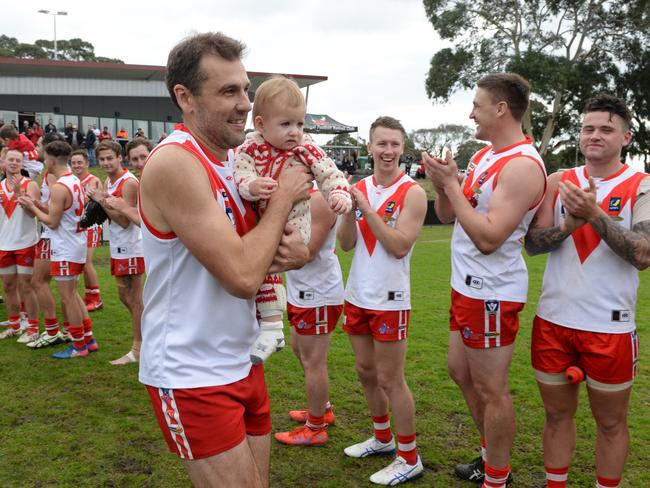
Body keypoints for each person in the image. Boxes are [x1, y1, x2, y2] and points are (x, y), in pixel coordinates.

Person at [138, 32, 311, 488]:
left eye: (246, 89)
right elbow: (240, 274)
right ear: (185, 98)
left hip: (242, 359)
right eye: (228, 91)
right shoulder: (176, 163)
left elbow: (257, 250)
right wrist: (284, 198)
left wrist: (295, 252)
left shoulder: (234, 162)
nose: (246, 103)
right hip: (192, 371)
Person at [424, 73, 546, 488]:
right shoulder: (484, 156)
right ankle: (491, 456)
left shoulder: (523, 166)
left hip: (492, 290)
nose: (470, 112)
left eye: (476, 105)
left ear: (501, 109)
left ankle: (497, 475)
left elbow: (491, 238)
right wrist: (445, 184)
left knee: (492, 388)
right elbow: (447, 215)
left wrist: (451, 186)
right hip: (466, 285)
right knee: (459, 370)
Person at [524, 94, 649, 488]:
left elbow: (643, 254)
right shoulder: (560, 180)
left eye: (606, 129)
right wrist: (569, 225)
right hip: (553, 321)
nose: (594, 136)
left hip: (609, 328)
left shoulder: (641, 185)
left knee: (610, 423)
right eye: (587, 128)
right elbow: (533, 243)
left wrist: (594, 214)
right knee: (556, 416)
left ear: (626, 137)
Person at [234, 76, 351, 364]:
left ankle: (271, 326)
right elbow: (240, 173)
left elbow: (329, 172)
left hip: (295, 222)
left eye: (300, 124)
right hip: (261, 219)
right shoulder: (249, 148)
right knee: (260, 269)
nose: (295, 132)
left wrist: (339, 194)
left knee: (267, 264)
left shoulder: (307, 148)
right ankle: (272, 327)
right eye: (286, 124)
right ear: (260, 125)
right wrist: (250, 185)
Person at [338, 116, 427, 485]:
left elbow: (398, 245)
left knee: (392, 379)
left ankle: (409, 457)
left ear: (402, 148)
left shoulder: (413, 192)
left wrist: (367, 209)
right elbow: (345, 244)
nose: (388, 151)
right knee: (365, 371)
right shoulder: (358, 187)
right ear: (370, 147)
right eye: (381, 144)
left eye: (394, 144)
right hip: (357, 294)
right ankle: (382, 437)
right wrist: (346, 209)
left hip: (390, 300)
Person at [274, 188, 343, 446]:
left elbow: (308, 252)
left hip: (318, 292)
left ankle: (316, 427)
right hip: (301, 290)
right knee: (299, 350)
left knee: (314, 361)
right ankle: (321, 408)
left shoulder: (319, 199)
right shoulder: (295, 196)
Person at [19, 140, 96, 359]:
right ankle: (88, 339)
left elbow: (52, 223)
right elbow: (63, 213)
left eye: (44, 158)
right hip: (75, 243)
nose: (43, 161)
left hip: (64, 247)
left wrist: (33, 207)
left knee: (67, 298)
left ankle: (79, 346)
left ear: (52, 160)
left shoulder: (60, 186)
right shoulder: (73, 180)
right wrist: (40, 205)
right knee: (72, 295)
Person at [90, 140, 144, 365]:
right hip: (118, 246)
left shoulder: (129, 183)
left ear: (119, 157)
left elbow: (124, 221)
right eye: (102, 159)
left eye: (109, 158)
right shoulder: (107, 181)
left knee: (135, 299)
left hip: (132, 246)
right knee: (125, 296)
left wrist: (101, 200)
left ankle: (139, 348)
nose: (105, 163)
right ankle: (150, 333)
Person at [26, 131, 67, 349]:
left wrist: (32, 205)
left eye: (40, 145)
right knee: (62, 287)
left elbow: (55, 211)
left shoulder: (52, 175)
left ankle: (53, 330)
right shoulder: (54, 173)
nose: (37, 148)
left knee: (39, 281)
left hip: (52, 236)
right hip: (57, 235)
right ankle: (71, 329)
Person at [0, 149, 41, 342]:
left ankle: (33, 328)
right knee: (8, 286)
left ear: (22, 164)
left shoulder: (30, 184)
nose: (14, 163)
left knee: (27, 286)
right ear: (4, 162)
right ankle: (15, 325)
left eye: (18, 160)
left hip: (26, 242)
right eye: (11, 160)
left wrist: (18, 194)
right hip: (4, 243)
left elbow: (34, 214)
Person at [70, 149, 103, 312]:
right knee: (82, 263)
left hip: (92, 226)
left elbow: (97, 203)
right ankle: (89, 295)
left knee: (87, 262)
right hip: (81, 226)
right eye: (73, 163)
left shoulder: (93, 180)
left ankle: (96, 298)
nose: (76, 165)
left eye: (79, 162)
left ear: (87, 163)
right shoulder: (72, 180)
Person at [101, 137, 154, 226]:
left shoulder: (160, 180)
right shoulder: (143, 181)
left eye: (143, 157)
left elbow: (151, 225)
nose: (140, 163)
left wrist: (123, 208)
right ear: (129, 161)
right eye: (135, 159)